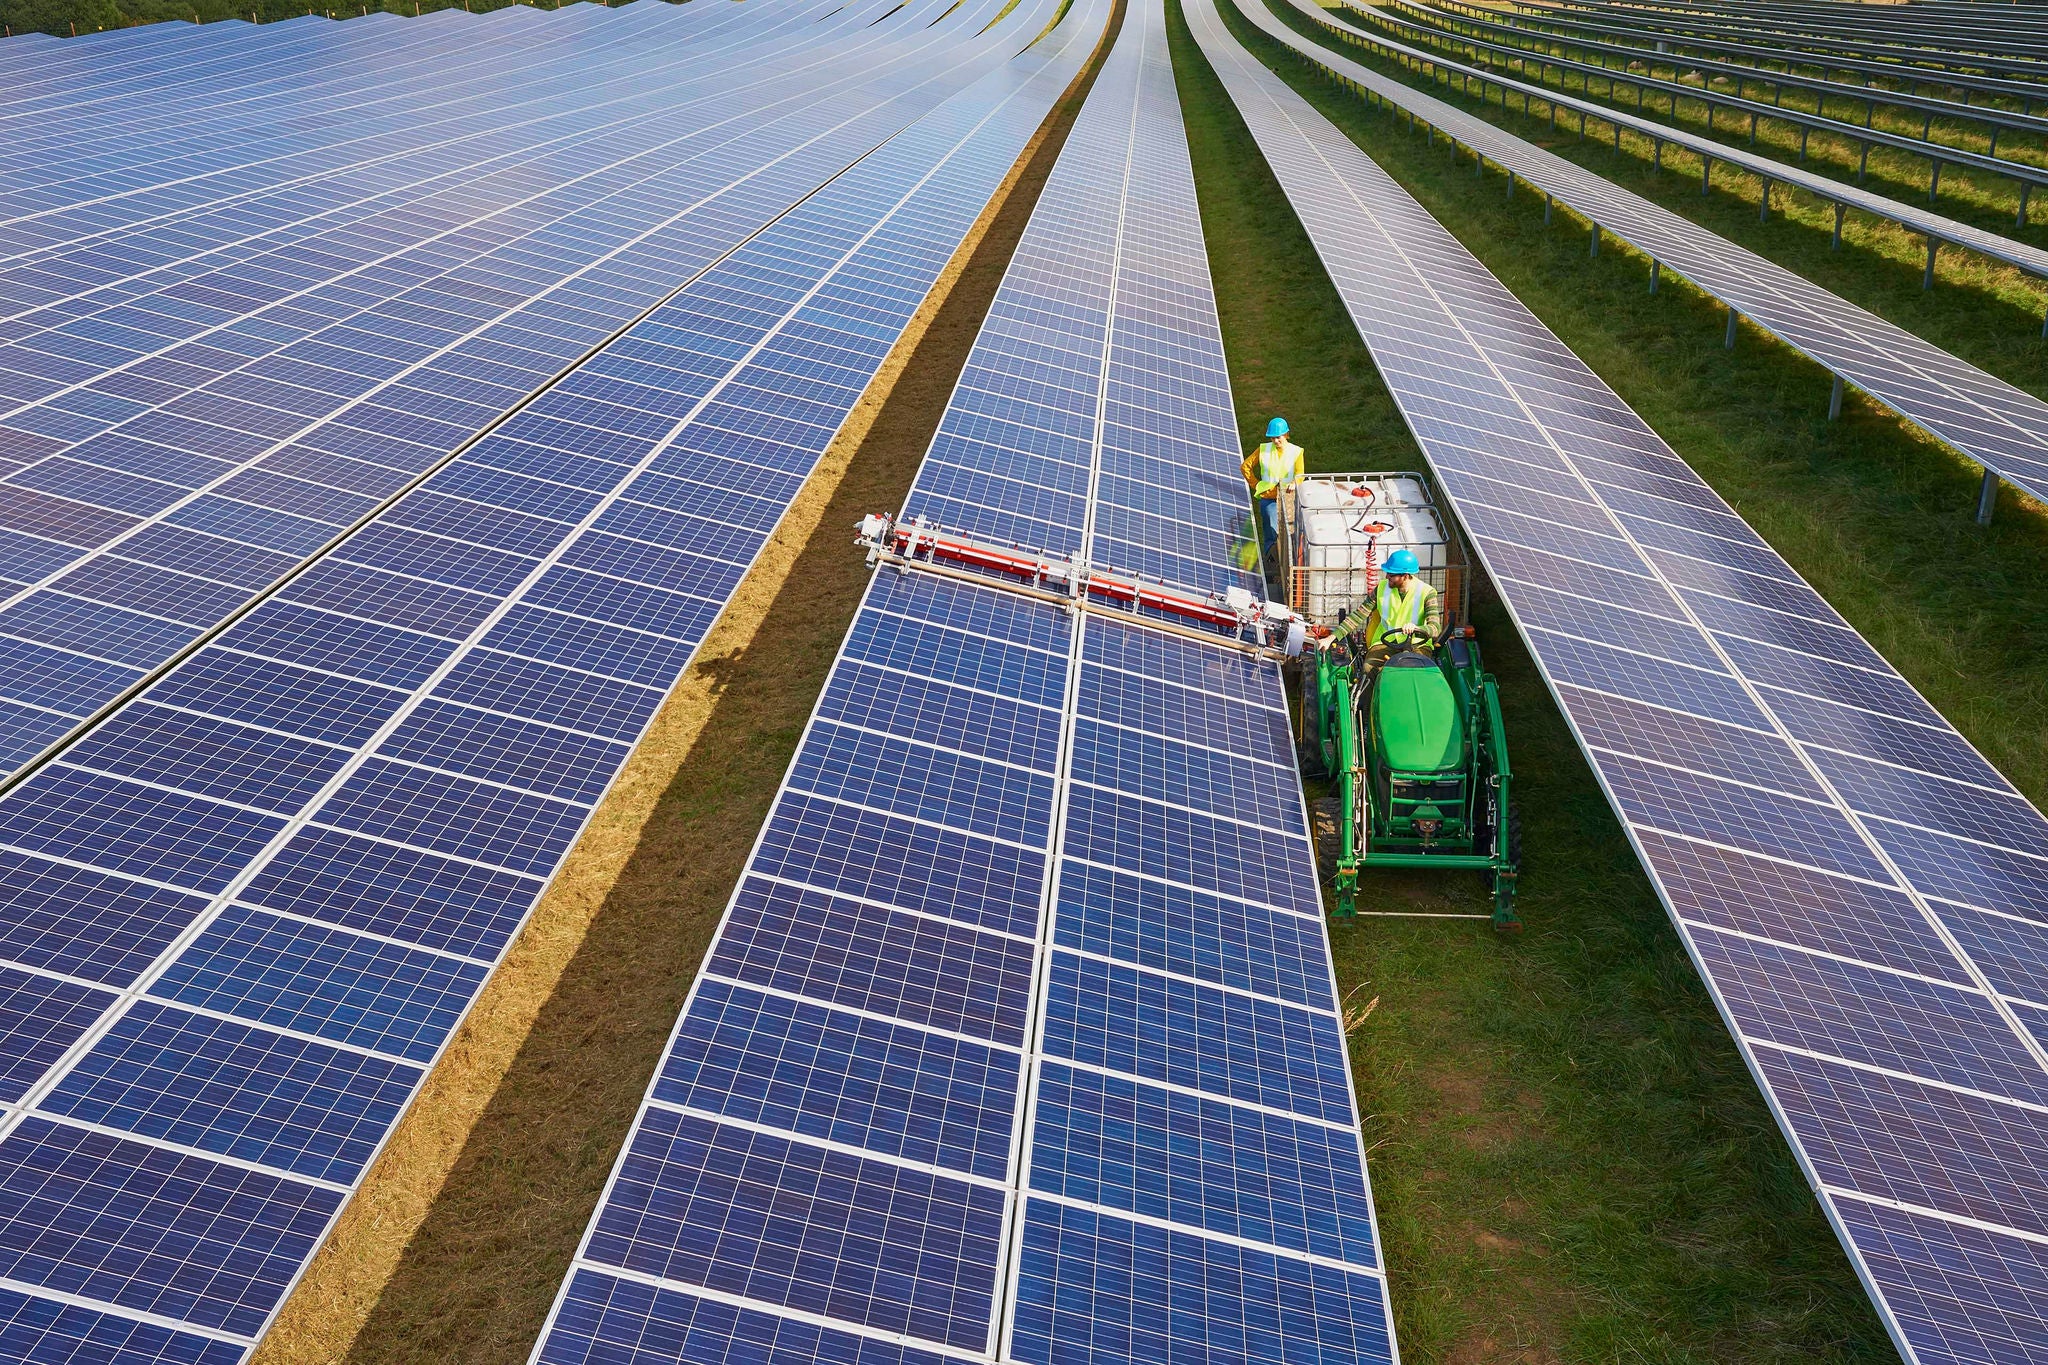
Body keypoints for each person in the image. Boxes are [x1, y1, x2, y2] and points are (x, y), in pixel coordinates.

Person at [1322, 549, 1442, 678]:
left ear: (1405, 576)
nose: (1387, 577)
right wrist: (1331, 638)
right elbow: (1358, 615)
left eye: (1391, 574)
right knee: (1369, 668)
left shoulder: (1427, 593)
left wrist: (1418, 629)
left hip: (1417, 645)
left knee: (1415, 672)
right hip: (1385, 644)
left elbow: (1435, 628)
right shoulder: (1381, 588)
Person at [1242, 417, 1305, 566]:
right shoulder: (1263, 449)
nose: (1275, 441)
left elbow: (1300, 473)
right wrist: (1256, 484)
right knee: (1271, 530)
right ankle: (1272, 563)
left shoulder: (1296, 452)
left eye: (1278, 437)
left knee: (1290, 531)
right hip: (1269, 497)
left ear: (1286, 435)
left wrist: (1294, 483)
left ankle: (1291, 561)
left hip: (1289, 498)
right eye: (1272, 438)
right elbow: (1245, 466)